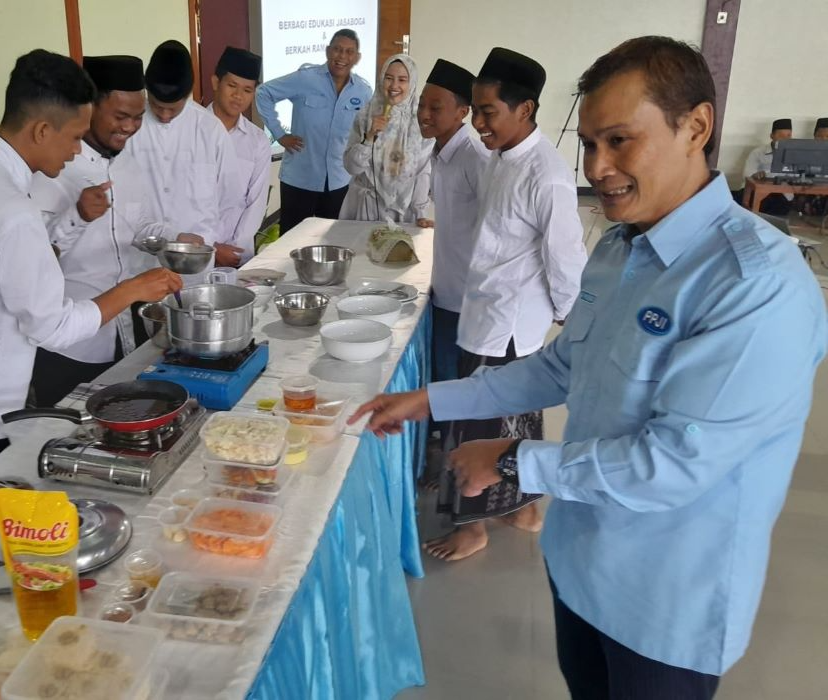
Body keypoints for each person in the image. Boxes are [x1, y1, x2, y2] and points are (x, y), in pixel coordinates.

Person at [351, 36, 827, 699]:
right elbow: (558, 368)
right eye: (589, 144)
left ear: (695, 127)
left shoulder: (754, 287)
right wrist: (431, 399)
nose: (597, 167)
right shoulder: (619, 248)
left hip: (664, 604)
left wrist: (516, 457)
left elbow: (675, 464)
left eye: (619, 141)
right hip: (580, 567)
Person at [0, 50, 181, 501]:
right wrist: (133, 289)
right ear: (42, 129)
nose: (78, 150)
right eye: (75, 136)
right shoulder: (12, 209)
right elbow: (54, 326)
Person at [423, 48, 586, 561]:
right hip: (487, 310)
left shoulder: (547, 174)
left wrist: (563, 310)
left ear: (526, 109)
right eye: (475, 111)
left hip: (508, 323)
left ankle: (472, 527)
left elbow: (565, 257)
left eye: (488, 112)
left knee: (482, 426)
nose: (478, 123)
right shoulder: (500, 159)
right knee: (517, 420)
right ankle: (525, 507)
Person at [30, 54, 197, 407]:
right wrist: (76, 216)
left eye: (138, 118)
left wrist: (174, 239)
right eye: (121, 117)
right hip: (71, 345)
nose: (130, 127)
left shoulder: (128, 163)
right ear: (89, 108)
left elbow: (139, 225)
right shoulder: (52, 168)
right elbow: (31, 260)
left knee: (127, 421)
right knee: (65, 436)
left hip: (126, 332)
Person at [128, 40, 243, 268]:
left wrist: (211, 241)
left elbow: (230, 197)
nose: (164, 115)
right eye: (156, 105)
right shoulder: (130, 128)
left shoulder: (210, 129)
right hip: (140, 262)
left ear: (188, 95)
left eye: (173, 108)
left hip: (195, 262)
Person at [255, 29, 373, 234]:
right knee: (291, 242)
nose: (342, 56)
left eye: (349, 51)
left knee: (334, 241)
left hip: (339, 180)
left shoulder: (362, 91)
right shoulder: (306, 78)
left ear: (357, 57)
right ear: (328, 51)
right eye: (337, 49)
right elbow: (263, 92)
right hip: (300, 178)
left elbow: (366, 130)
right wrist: (279, 134)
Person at [416, 58, 489, 385]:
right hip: (444, 285)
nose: (424, 114)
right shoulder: (439, 150)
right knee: (440, 369)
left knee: (454, 376)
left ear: (462, 112)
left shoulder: (475, 156)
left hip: (466, 294)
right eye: (421, 104)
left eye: (435, 107)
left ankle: (450, 436)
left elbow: (494, 225)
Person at [339, 54, 433, 222]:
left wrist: (420, 213)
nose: (394, 86)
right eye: (389, 78)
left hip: (404, 211)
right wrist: (369, 138)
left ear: (411, 84)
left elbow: (423, 171)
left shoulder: (422, 120)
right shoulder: (365, 115)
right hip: (365, 208)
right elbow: (351, 167)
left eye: (402, 80)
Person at [208, 46, 272, 260]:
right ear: (216, 83)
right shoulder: (191, 130)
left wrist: (233, 250)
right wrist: (210, 249)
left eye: (247, 90)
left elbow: (256, 202)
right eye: (232, 86)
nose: (238, 96)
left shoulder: (258, 141)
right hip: (195, 253)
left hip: (237, 256)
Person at [741, 118, 793, 215]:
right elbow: (746, 174)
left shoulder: (794, 155)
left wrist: (769, 174)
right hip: (760, 192)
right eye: (781, 136)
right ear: (772, 136)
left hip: (782, 195)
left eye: (788, 136)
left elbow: (797, 176)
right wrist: (756, 175)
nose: (785, 140)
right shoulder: (758, 152)